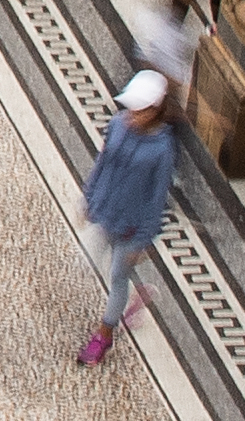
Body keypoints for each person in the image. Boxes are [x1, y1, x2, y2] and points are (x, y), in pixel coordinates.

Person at [79, 70, 185, 361]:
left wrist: (143, 240)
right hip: (105, 212)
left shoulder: (162, 149)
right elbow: (103, 161)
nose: (130, 115)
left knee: (117, 277)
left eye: (137, 110)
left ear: (153, 111)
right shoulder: (118, 125)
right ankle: (137, 294)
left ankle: (104, 335)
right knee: (87, 260)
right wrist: (89, 196)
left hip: (131, 226)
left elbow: (157, 198)